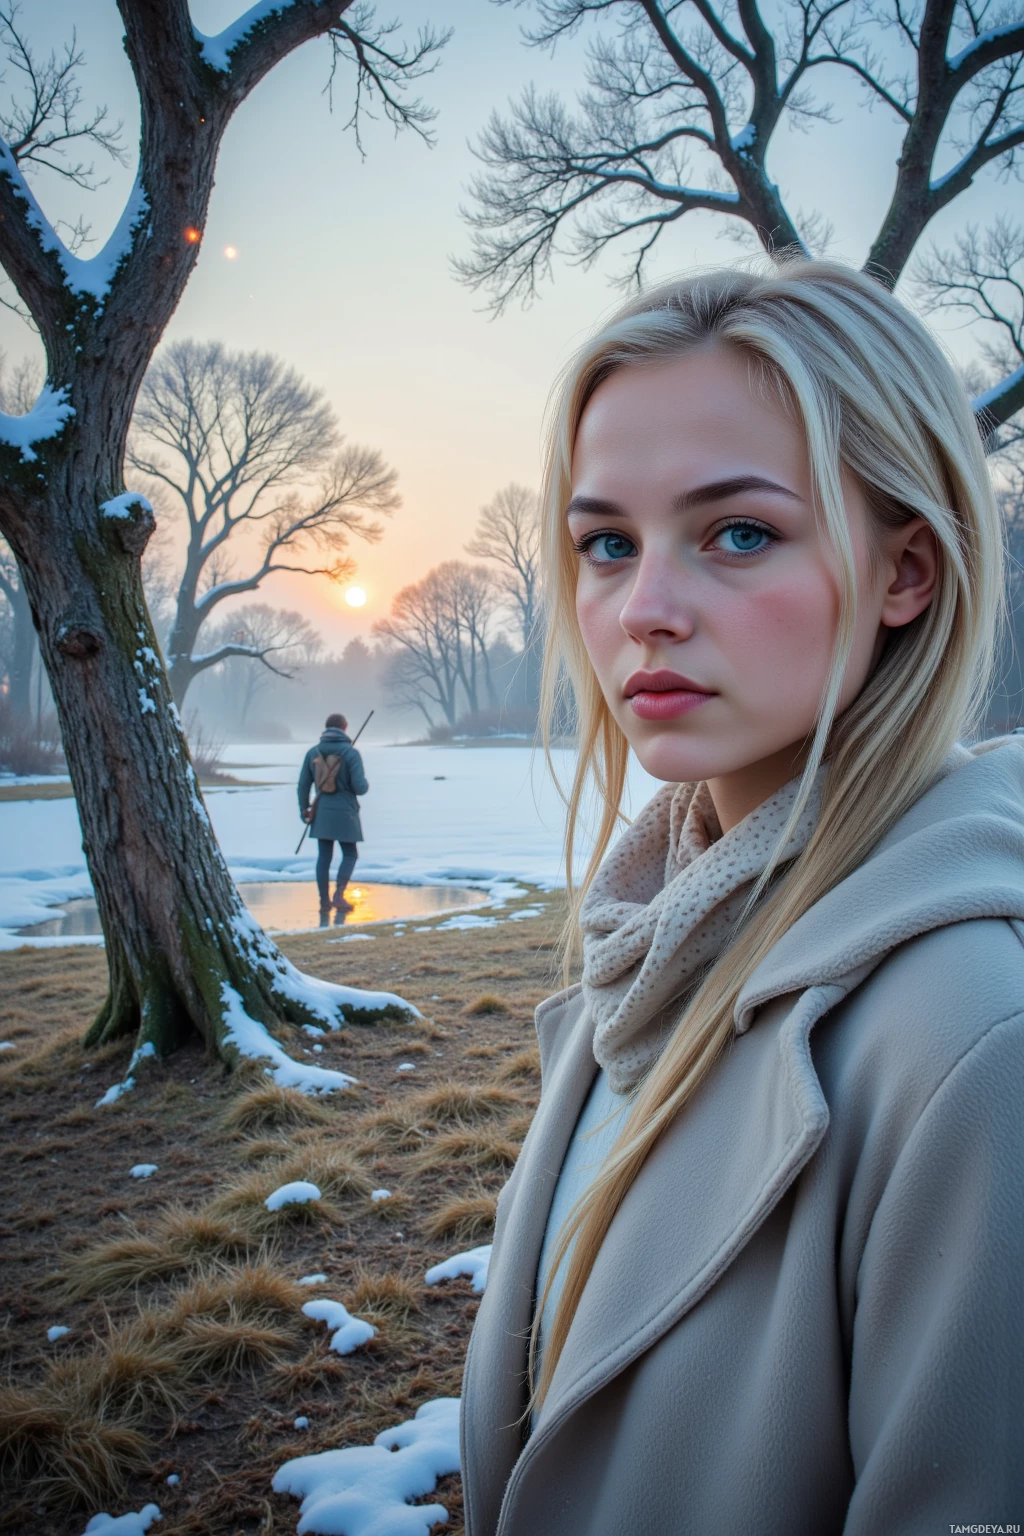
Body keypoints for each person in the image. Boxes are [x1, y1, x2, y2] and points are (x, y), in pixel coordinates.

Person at [460, 260, 1024, 1535]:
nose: (642, 611)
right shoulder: (652, 940)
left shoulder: (975, 1041)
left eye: (738, 533)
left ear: (906, 572)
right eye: (607, 543)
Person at [297, 712, 368, 916]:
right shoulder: (351, 753)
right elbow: (360, 787)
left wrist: (304, 809)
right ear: (344, 728)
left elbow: (303, 785)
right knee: (350, 853)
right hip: (346, 811)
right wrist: (365, 784)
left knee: (324, 857)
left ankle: (324, 901)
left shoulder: (313, 752)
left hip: (321, 812)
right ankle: (339, 894)